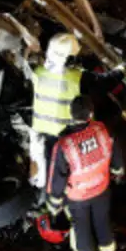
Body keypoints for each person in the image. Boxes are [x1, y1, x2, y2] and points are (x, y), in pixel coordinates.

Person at [47, 95, 124, 251]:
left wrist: (54, 205)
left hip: (78, 197)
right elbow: (116, 158)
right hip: (101, 189)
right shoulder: (103, 130)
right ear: (91, 113)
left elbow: (57, 179)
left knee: (81, 229)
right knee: (102, 222)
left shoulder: (64, 144)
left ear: (71, 114)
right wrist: (117, 173)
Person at [31, 33, 84, 189]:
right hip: (64, 134)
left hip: (41, 132)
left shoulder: (38, 73)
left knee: (45, 172)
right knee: (64, 172)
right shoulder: (77, 77)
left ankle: (47, 198)